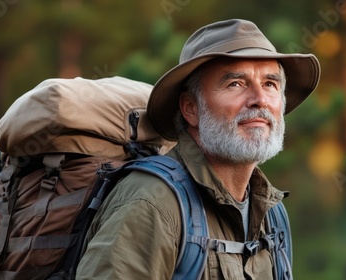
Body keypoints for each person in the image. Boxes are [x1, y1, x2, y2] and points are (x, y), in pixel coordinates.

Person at [76, 18, 320, 279]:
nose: (259, 99)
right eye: (235, 83)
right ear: (191, 108)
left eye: (270, 84)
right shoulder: (151, 202)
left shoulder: (273, 214)